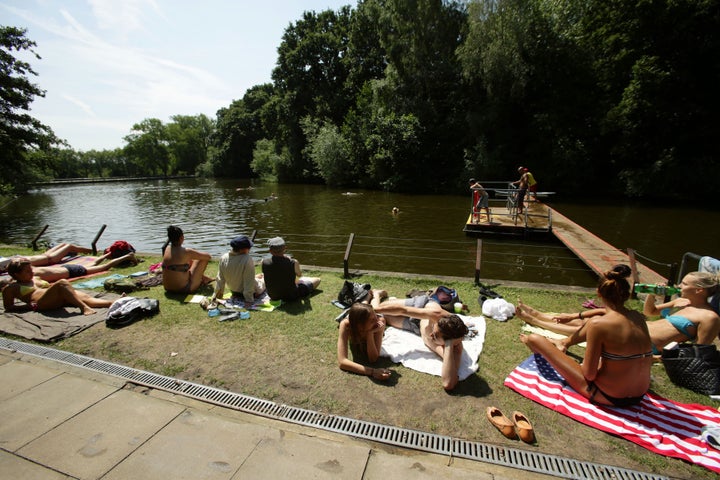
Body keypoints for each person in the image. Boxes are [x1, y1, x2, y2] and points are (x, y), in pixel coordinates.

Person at [519, 265, 653, 407]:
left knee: (535, 339)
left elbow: (589, 375)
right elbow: (608, 313)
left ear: (599, 293)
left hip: (608, 395)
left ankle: (542, 342)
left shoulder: (598, 325)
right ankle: (563, 342)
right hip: (639, 395)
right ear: (626, 295)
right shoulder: (638, 317)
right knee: (596, 326)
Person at [518, 271, 720, 355]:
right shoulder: (683, 301)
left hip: (647, 343)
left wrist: (662, 357)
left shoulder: (709, 317)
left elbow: (700, 352)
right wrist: (654, 295)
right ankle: (539, 317)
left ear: (699, 290)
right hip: (641, 328)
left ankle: (536, 319)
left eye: (684, 284)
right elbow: (650, 313)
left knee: (593, 325)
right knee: (596, 320)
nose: (679, 285)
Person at [372, 292, 469, 391]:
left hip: (415, 326)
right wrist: (374, 309)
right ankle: (377, 293)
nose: (431, 335)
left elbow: (448, 384)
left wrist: (448, 346)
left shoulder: (454, 349)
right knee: (380, 308)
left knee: (383, 317)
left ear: (448, 342)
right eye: (433, 331)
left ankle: (392, 301)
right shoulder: (438, 315)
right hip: (421, 307)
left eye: (435, 336)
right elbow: (403, 310)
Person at [2, 259, 114, 315]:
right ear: (17, 274)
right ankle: (83, 308)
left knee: (83, 296)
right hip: (42, 303)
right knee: (62, 283)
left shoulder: (35, 278)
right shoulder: (12, 288)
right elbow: (8, 307)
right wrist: (28, 307)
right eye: (27, 271)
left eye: (31, 270)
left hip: (55, 298)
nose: (31, 273)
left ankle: (112, 302)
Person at [337, 290, 393, 381]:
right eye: (372, 321)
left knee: (371, 307)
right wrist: (372, 372)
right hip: (356, 316)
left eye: (375, 317)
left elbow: (373, 359)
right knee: (362, 307)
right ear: (360, 326)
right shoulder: (346, 325)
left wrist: (370, 333)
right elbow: (342, 362)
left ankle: (376, 294)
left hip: (366, 315)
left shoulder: (379, 321)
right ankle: (368, 296)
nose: (376, 322)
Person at [261, 237, 320, 302]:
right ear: (285, 249)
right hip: (291, 296)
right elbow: (299, 275)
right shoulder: (293, 262)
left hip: (273, 296)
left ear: (270, 251)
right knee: (317, 280)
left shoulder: (264, 262)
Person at [162, 225, 212, 294]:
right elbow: (208, 257)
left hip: (168, 288)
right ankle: (203, 279)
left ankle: (204, 278)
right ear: (182, 237)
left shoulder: (167, 249)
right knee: (202, 258)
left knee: (189, 260)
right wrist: (193, 252)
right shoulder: (186, 252)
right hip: (184, 289)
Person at [212, 235, 260, 307]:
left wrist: (217, 295)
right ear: (242, 250)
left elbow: (220, 279)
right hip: (248, 294)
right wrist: (249, 300)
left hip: (234, 292)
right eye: (248, 248)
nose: (249, 249)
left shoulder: (223, 257)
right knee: (263, 280)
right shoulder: (247, 259)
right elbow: (248, 281)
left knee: (257, 277)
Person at [26, 252, 139, 282]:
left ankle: (127, 256)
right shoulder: (32, 269)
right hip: (66, 267)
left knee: (104, 267)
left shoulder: (31, 276)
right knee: (93, 264)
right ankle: (106, 255)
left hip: (73, 271)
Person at [0, 243, 95, 271]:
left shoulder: (4, 262)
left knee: (64, 244)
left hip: (43, 256)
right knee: (69, 246)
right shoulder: (5, 264)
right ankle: (93, 251)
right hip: (51, 259)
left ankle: (93, 250)